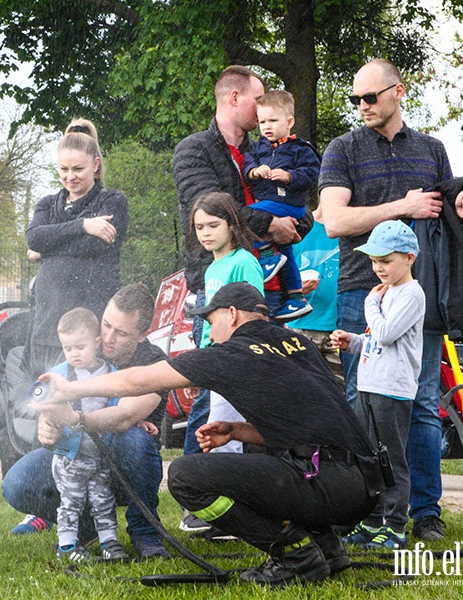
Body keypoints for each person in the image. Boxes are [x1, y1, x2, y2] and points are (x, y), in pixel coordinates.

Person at [36, 282, 383, 586]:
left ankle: (294, 554)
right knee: (266, 459)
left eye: (210, 320)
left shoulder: (230, 353)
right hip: (363, 486)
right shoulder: (298, 344)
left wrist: (69, 390)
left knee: (187, 477)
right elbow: (306, 428)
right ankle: (325, 546)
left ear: (232, 315)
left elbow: (136, 379)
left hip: (323, 483)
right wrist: (237, 431)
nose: (208, 331)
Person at [318, 58, 463, 541]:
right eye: (356, 99)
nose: (362, 106)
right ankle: (366, 510)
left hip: (421, 292)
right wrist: (403, 206)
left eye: (371, 97)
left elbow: (449, 218)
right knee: (361, 402)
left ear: (398, 92)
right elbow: (334, 222)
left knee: (425, 403)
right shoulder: (342, 148)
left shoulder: (432, 149)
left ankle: (425, 513)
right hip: (359, 289)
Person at [172, 66, 313, 477]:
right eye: (258, 97)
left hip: (271, 287)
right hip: (220, 283)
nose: (265, 106)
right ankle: (197, 493)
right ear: (234, 98)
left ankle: (255, 483)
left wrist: (295, 224)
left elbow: (299, 202)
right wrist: (270, 224)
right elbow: (209, 206)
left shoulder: (270, 148)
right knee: (213, 386)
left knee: (265, 388)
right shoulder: (195, 150)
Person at [3, 283, 171, 559]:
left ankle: (144, 530)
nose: (108, 338)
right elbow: (53, 396)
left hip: (121, 463)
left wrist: (77, 419)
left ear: (143, 335)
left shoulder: (155, 361)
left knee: (135, 437)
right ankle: (84, 525)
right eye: (106, 324)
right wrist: (47, 422)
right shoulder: (87, 345)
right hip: (76, 454)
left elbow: (125, 416)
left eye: (122, 332)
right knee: (17, 484)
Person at [330, 220, 425, 550]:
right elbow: (376, 341)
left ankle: (396, 526)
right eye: (374, 261)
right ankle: (371, 522)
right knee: (368, 457)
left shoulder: (411, 294)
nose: (378, 268)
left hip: (393, 390)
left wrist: (371, 303)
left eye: (386, 261)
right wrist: (352, 341)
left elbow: (386, 333)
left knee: (392, 458)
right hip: (370, 385)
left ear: (410, 258)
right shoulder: (388, 292)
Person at [26, 119, 128, 375]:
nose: (70, 177)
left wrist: (46, 250)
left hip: (90, 321)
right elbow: (34, 239)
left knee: (87, 402)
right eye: (64, 169)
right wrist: (83, 225)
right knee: (43, 403)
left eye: (78, 169)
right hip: (47, 325)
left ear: (95, 165)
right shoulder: (47, 205)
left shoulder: (112, 200)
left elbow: (97, 244)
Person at [46, 308, 127, 562]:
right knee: (71, 500)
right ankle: (67, 545)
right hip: (71, 454)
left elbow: (121, 405)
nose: (73, 354)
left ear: (96, 342)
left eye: (79, 347)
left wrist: (142, 422)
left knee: (103, 498)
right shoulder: (59, 374)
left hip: (101, 453)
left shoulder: (111, 373)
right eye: (67, 348)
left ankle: (109, 541)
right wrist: (48, 415)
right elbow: (40, 399)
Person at [188, 191, 263, 455]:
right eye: (199, 227)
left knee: (224, 431)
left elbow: (256, 313)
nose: (205, 233)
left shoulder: (244, 261)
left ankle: (229, 491)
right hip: (214, 356)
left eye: (213, 225)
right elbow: (209, 325)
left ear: (231, 224)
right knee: (214, 428)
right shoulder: (211, 268)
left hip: (236, 359)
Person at [243, 90, 320, 321]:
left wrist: (289, 176)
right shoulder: (259, 148)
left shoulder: (301, 148)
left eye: (273, 121)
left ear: (289, 122)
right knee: (286, 254)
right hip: (271, 203)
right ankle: (296, 299)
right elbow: (248, 165)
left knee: (250, 214)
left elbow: (313, 172)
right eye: (262, 121)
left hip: (289, 205)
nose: (266, 127)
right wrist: (255, 171)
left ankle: (266, 254)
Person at [288, 207, 342, 380]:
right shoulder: (299, 226)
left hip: (340, 331)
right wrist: (296, 290)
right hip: (300, 326)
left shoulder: (351, 227)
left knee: (341, 395)